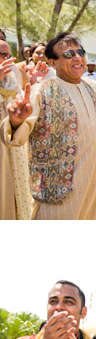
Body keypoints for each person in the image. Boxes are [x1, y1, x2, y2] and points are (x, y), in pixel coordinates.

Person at [2, 32, 96, 219]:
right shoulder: (41, 91)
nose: (78, 58)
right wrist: (16, 121)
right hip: (59, 195)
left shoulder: (90, 86)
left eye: (80, 52)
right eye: (68, 54)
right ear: (53, 63)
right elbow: (17, 136)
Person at [0, 45, 31, 220]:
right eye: (1, 54)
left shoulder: (12, 79)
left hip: (11, 144)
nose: (6, 59)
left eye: (8, 55)